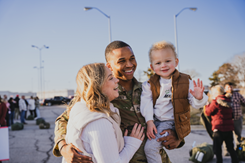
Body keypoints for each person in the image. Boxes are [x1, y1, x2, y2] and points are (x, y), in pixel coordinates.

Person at [53, 41, 184, 163]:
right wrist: (63, 147)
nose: (129, 64)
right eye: (122, 61)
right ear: (109, 66)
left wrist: (178, 137)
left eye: (132, 58)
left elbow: (172, 114)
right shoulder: (101, 95)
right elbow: (63, 120)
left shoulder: (149, 89)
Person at [140, 41, 208, 163]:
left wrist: (199, 97)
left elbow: (195, 103)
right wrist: (149, 122)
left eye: (167, 61)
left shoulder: (185, 81)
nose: (163, 65)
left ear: (176, 62)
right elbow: (146, 103)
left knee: (150, 148)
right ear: (152, 67)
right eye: (158, 63)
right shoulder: (149, 84)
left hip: (170, 122)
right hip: (154, 121)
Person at [62, 63, 144, 163]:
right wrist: (131, 145)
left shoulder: (82, 109)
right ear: (97, 85)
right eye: (110, 78)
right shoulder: (97, 122)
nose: (117, 80)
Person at [205, 85, 238, 163]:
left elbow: (208, 112)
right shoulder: (229, 100)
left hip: (218, 129)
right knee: (230, 148)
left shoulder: (215, 101)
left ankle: (219, 161)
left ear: (216, 92)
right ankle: (235, 161)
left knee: (218, 149)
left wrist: (207, 105)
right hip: (229, 129)